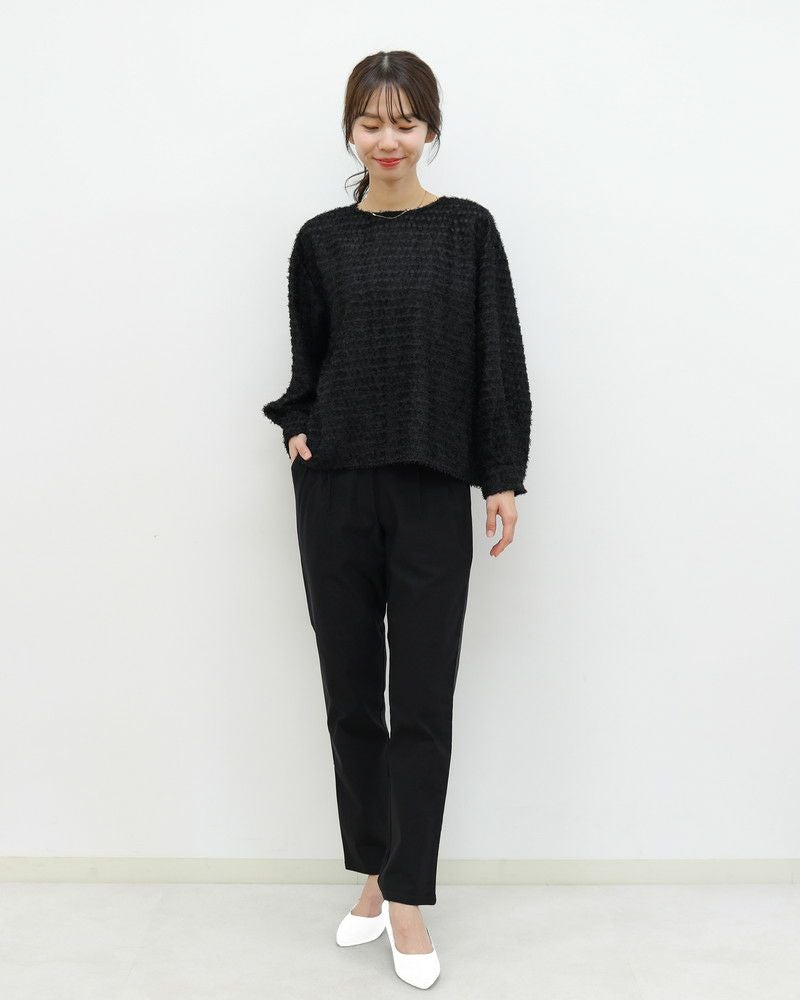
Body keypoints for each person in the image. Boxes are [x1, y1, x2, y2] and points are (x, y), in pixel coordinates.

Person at [262, 50, 531, 989]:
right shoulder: (321, 240)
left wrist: (501, 477)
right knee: (350, 698)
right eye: (372, 123)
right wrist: (297, 428)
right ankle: (375, 873)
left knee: (419, 701)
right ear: (350, 129)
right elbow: (308, 364)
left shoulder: (467, 231)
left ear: (430, 129)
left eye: (405, 122)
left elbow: (497, 356)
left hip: (429, 489)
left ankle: (407, 899)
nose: (388, 140)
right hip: (334, 487)